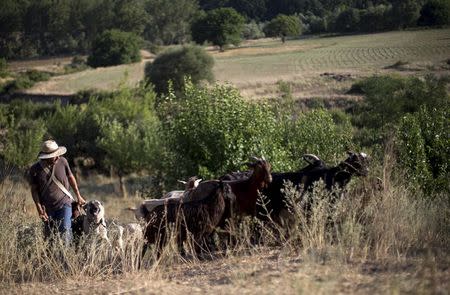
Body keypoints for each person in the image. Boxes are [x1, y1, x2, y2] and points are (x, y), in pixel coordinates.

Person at [29, 140, 86, 245]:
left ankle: (66, 256)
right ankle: (54, 258)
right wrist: (39, 209)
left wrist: (78, 195)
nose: (58, 157)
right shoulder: (34, 170)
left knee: (65, 230)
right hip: (47, 208)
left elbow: (71, 177)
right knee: (50, 237)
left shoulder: (63, 161)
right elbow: (34, 191)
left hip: (64, 203)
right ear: (46, 157)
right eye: (54, 156)